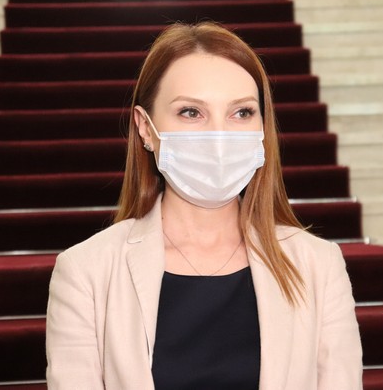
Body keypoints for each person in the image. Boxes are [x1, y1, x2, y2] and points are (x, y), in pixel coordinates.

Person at [46, 22, 363, 389]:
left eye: (241, 112)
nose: (219, 136)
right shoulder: (86, 271)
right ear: (145, 128)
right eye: (191, 112)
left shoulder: (318, 265)